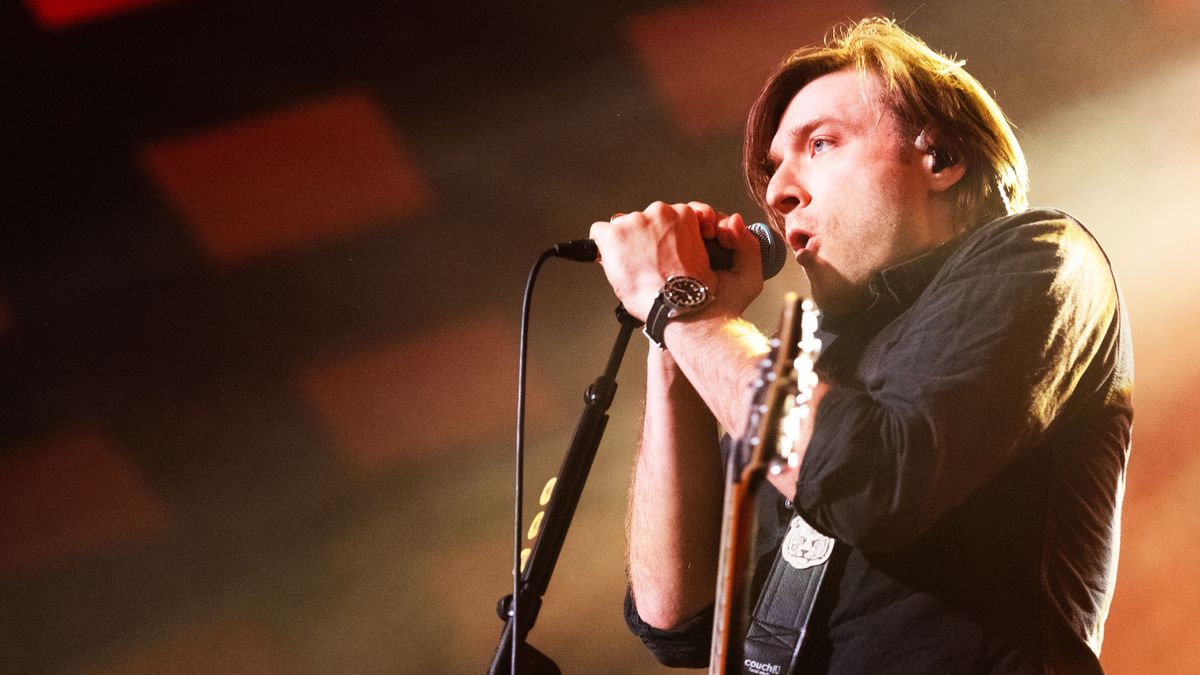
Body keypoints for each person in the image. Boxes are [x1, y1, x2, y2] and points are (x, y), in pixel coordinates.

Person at [588, 17, 1133, 674]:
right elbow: (674, 615)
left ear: (940, 158)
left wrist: (687, 308)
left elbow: (873, 481)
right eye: (771, 170)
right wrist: (671, 336)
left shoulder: (1042, 258)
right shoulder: (791, 371)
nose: (779, 193)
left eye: (819, 144)